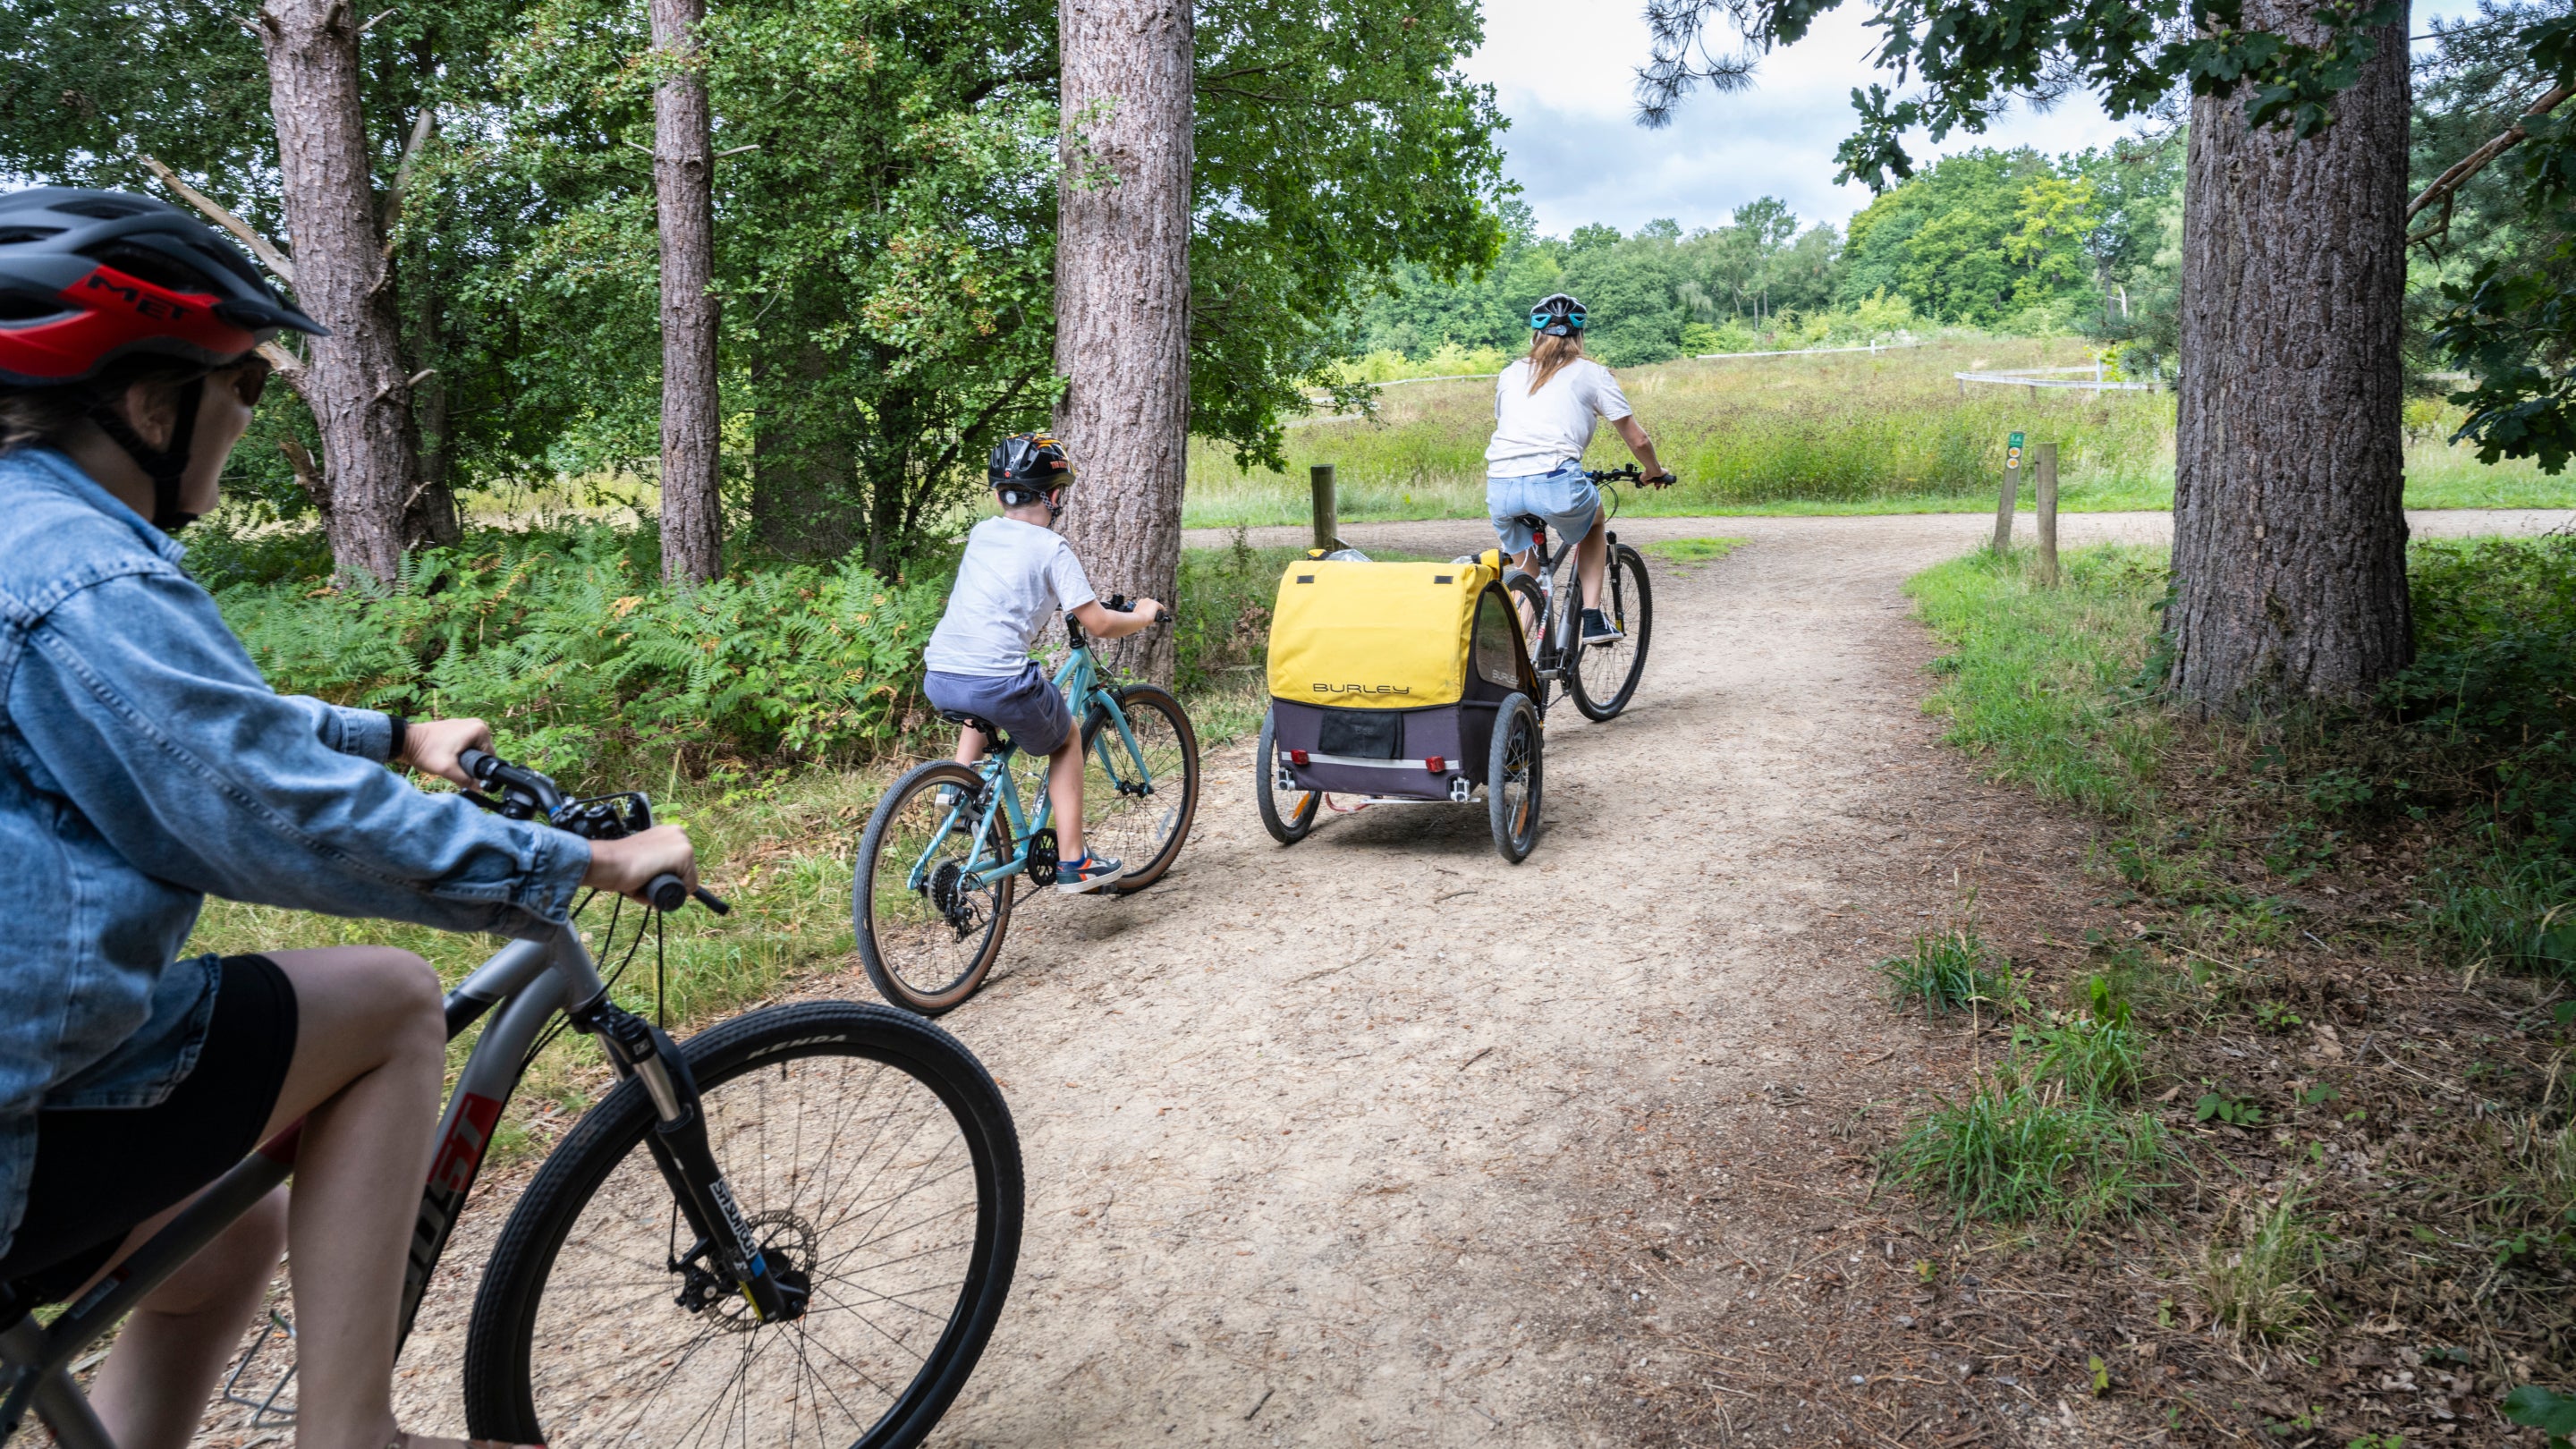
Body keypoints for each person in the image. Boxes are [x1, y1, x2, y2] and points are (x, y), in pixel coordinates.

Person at [0, 187, 696, 1449]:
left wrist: (394, 736)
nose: (250, 422)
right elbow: (268, 810)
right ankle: (354, 1435)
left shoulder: (33, 545)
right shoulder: (80, 572)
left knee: (223, 1239)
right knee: (385, 998)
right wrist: (582, 858)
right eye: (248, 389)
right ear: (150, 404)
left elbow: (193, 723)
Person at [920, 432, 1165, 893]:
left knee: (980, 696)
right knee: (1067, 737)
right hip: (997, 681)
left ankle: (957, 791)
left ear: (999, 495)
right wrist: (1142, 615)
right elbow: (1099, 624)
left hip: (941, 673)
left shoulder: (982, 533)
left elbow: (999, 593)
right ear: (1054, 497)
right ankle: (1075, 861)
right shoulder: (1052, 549)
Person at [1483, 292, 1675, 644]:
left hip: (1501, 485)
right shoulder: (1592, 373)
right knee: (1594, 521)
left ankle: (1507, 662)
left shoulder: (1510, 373)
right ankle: (1592, 616)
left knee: (1529, 575)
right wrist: (1654, 471)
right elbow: (1638, 439)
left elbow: (1509, 425)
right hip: (1555, 479)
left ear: (1535, 334)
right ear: (1579, 336)